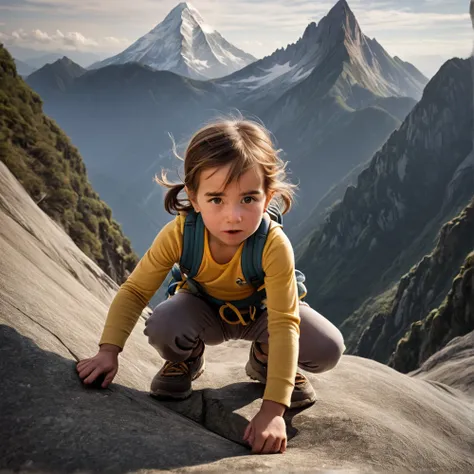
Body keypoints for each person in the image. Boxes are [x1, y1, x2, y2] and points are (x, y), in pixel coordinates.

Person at [76, 117, 345, 455]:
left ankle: (265, 359)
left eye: (248, 199)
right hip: (204, 315)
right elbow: (135, 291)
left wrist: (273, 409)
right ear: (194, 196)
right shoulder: (181, 234)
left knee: (328, 347)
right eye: (216, 199)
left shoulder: (273, 244)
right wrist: (108, 351)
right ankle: (186, 358)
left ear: (269, 196)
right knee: (164, 323)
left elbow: (284, 321)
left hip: (265, 317)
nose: (233, 215)